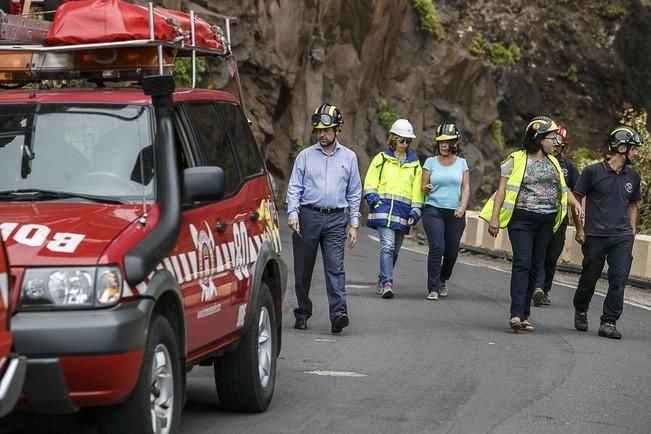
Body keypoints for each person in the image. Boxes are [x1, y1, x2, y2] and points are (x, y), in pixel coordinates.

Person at [480, 115, 583, 332]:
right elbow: (501, 192)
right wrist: (495, 218)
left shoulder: (554, 162)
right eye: (551, 137)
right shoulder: (515, 160)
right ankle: (516, 314)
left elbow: (563, 190)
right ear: (538, 138)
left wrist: (577, 205)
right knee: (522, 263)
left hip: (546, 222)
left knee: (537, 267)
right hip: (521, 220)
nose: (555, 142)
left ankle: (524, 315)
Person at [286, 103, 362, 334]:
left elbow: (355, 191)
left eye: (326, 131)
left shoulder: (349, 158)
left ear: (337, 130)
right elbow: (294, 188)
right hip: (308, 216)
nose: (321, 134)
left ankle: (338, 314)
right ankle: (302, 312)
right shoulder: (305, 157)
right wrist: (293, 213)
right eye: (318, 130)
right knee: (303, 269)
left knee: (335, 267)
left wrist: (354, 224)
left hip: (336, 219)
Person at [572, 125, 643, 339]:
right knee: (589, 278)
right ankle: (581, 308)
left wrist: (631, 233)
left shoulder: (633, 176)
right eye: (633, 149)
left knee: (618, 278)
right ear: (622, 148)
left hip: (621, 237)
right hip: (594, 235)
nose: (635, 153)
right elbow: (576, 198)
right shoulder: (592, 172)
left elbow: (633, 205)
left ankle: (609, 321)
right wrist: (580, 228)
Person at [363, 119, 423, 299]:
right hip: (383, 211)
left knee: (394, 251)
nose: (405, 144)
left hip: (402, 215)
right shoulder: (381, 159)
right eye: (402, 140)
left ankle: (382, 278)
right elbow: (370, 183)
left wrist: (415, 211)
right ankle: (388, 283)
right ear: (394, 139)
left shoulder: (414, 165)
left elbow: (417, 191)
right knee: (387, 247)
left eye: (407, 141)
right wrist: (375, 202)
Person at [421, 122, 470, 300]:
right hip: (433, 209)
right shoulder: (430, 162)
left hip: (455, 213)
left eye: (447, 142)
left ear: (454, 143)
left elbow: (465, 188)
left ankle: (443, 278)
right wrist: (426, 188)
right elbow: (422, 185)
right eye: (441, 141)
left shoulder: (462, 164)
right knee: (437, 247)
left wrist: (462, 207)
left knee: (451, 251)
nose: (443, 145)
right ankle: (433, 288)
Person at [537, 125, 580, 306]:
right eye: (552, 143)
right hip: (539, 216)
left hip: (559, 220)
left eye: (559, 145)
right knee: (538, 253)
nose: (555, 147)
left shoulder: (569, 168)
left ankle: (544, 290)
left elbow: (577, 195)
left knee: (551, 256)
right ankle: (536, 287)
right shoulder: (537, 161)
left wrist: (580, 226)